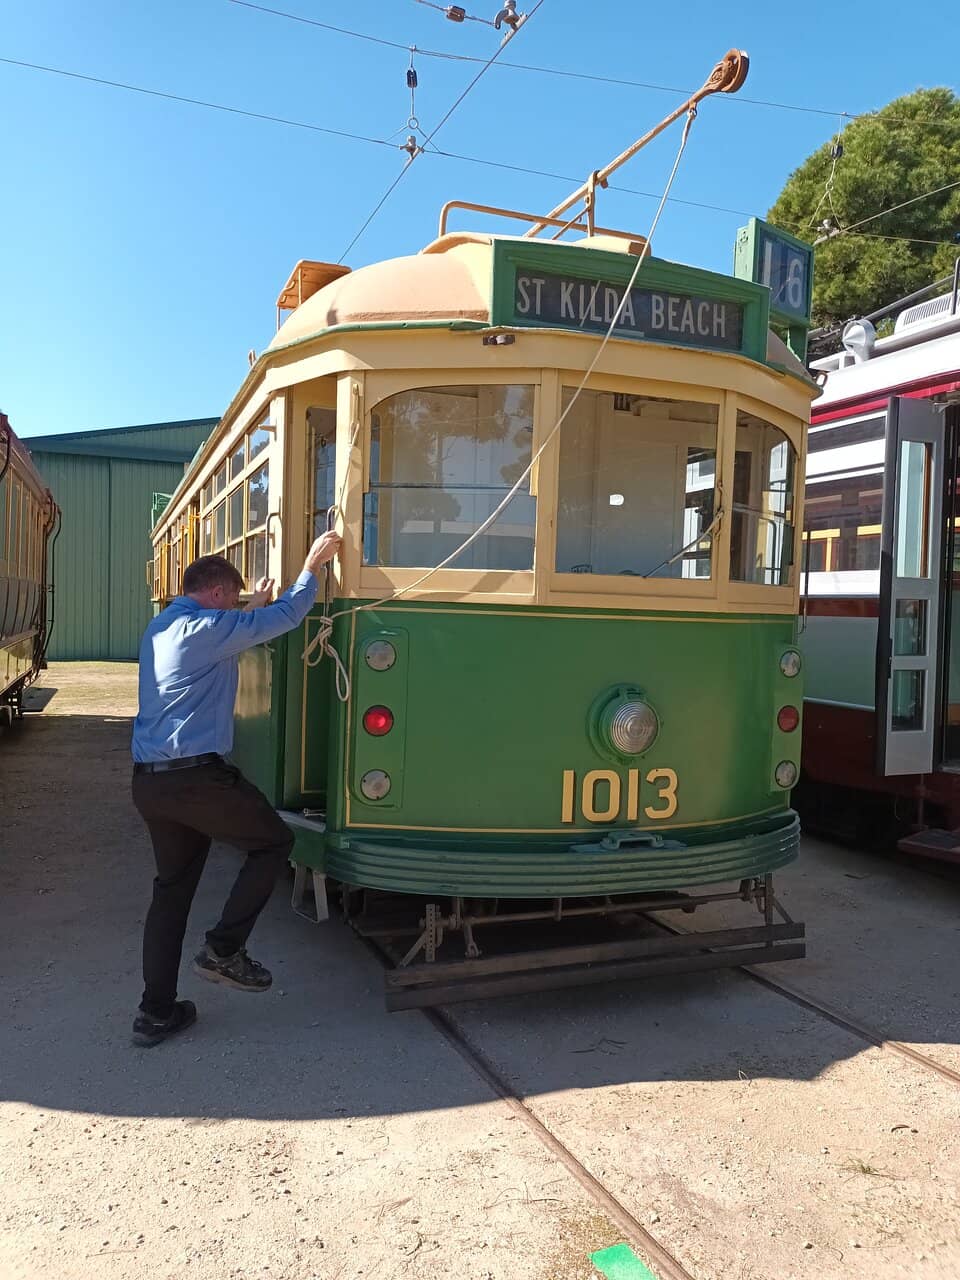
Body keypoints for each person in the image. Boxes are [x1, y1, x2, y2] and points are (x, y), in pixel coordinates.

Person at [130, 531, 341, 1047]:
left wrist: (255, 605)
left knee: (171, 893)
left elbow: (238, 632)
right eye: (235, 597)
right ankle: (224, 950)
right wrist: (311, 566)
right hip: (197, 779)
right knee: (273, 843)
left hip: (151, 782)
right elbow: (288, 618)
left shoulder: (163, 626)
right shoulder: (206, 627)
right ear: (221, 594)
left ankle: (155, 1014)